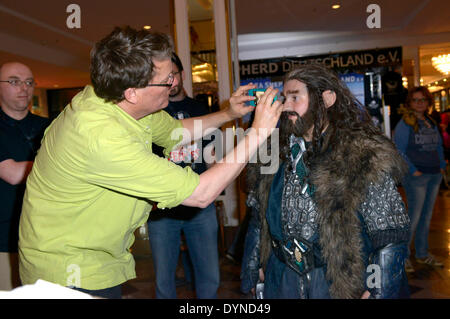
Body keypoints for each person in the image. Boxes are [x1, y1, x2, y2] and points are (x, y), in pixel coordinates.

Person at [18, 26, 282, 299]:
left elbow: (175, 133)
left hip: (91, 260)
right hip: (66, 273)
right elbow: (201, 193)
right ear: (133, 92)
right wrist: (258, 133)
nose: (174, 84)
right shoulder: (100, 137)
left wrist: (227, 113)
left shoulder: (112, 97)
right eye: (167, 80)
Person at [241, 64, 410, 299]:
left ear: (327, 99)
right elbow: (258, 217)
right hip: (281, 277)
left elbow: (390, 233)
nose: (286, 106)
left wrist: (377, 289)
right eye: (284, 98)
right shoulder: (272, 152)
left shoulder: (362, 154)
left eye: (295, 97)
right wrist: (254, 266)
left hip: (334, 282)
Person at [147, 52, 219, 298]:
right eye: (165, 78)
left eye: (173, 75)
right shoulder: (152, 111)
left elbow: (209, 152)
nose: (171, 82)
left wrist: (215, 189)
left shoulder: (199, 109)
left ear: (182, 75)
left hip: (200, 207)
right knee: (163, 280)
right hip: (162, 210)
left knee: (209, 276)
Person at [0, 62, 50, 290]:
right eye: (14, 81)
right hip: (5, 237)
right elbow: (12, 173)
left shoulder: (48, 127)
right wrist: (58, 168)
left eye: (29, 82)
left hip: (45, 238)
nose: (24, 88)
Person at [394, 86, 446, 273]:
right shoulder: (405, 124)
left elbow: (438, 146)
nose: (419, 103)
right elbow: (398, 150)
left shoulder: (430, 121)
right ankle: (403, 256)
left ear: (428, 103)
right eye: (416, 100)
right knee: (413, 217)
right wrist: (413, 170)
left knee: (426, 216)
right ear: (409, 103)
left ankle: (422, 254)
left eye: (423, 100)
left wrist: (442, 165)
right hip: (417, 177)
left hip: (434, 174)